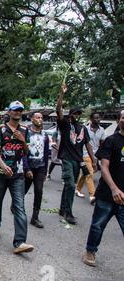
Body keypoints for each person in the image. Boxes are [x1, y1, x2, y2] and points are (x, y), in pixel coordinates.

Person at [0, 101, 34, 254]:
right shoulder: (1, 129)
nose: (17, 113)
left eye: (20, 110)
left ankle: (20, 242)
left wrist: (22, 140)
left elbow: (27, 152)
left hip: (18, 174)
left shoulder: (25, 130)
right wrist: (2, 165)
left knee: (19, 207)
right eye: (15, 110)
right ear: (9, 112)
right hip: (1, 173)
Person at [82, 110, 124, 267]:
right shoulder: (111, 141)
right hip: (107, 195)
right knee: (98, 225)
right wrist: (114, 189)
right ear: (119, 120)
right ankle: (90, 250)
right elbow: (104, 167)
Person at [56, 84, 96, 224]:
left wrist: (93, 160)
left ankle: (62, 209)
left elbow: (87, 144)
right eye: (75, 113)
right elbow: (58, 110)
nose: (77, 116)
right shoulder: (65, 124)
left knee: (69, 185)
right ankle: (68, 213)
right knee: (71, 186)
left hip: (78, 160)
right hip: (66, 158)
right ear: (70, 115)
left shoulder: (83, 129)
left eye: (79, 114)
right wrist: (62, 94)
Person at [24, 112, 50, 228]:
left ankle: (35, 217)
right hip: (28, 166)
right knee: (23, 190)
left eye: (41, 117)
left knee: (39, 191)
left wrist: (45, 170)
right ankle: (15, 205)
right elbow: (23, 152)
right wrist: (26, 168)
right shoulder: (26, 132)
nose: (40, 119)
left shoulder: (44, 135)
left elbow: (45, 154)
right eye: (37, 117)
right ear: (32, 119)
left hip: (40, 167)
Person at [75, 112, 105, 205]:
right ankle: (92, 195)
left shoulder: (102, 130)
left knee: (85, 173)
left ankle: (77, 189)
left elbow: (102, 143)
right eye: (95, 118)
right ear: (91, 119)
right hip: (85, 154)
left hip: (95, 155)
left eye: (99, 118)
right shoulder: (85, 129)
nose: (98, 120)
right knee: (90, 174)